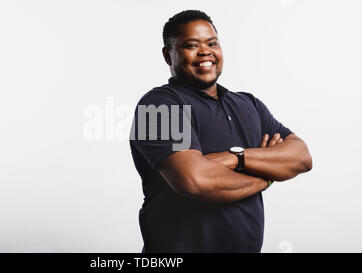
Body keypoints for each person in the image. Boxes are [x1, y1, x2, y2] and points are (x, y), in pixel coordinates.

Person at [129, 10, 313, 253]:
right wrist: (267, 176)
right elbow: (196, 181)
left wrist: (234, 158)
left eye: (212, 43)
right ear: (167, 55)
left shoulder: (249, 104)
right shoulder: (158, 106)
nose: (205, 51)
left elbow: (301, 157)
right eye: (191, 45)